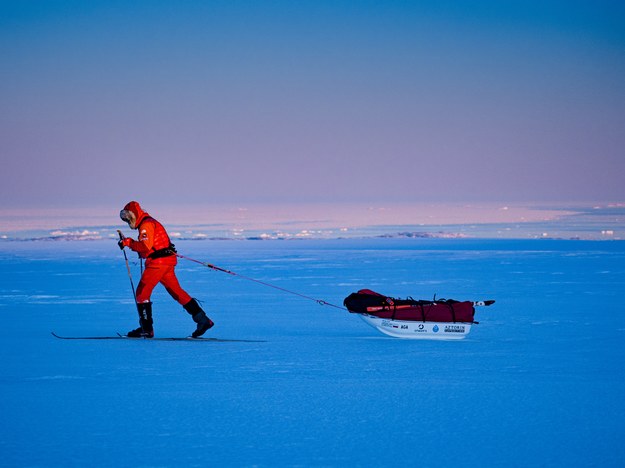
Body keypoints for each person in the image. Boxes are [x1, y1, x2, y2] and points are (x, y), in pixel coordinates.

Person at [118, 201, 214, 338]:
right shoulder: (150, 222)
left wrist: (128, 243)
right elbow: (152, 247)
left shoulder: (145, 225)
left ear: (133, 215)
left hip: (158, 264)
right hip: (167, 262)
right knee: (177, 292)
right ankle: (203, 320)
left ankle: (146, 329)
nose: (128, 222)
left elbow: (145, 246)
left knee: (141, 294)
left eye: (128, 219)